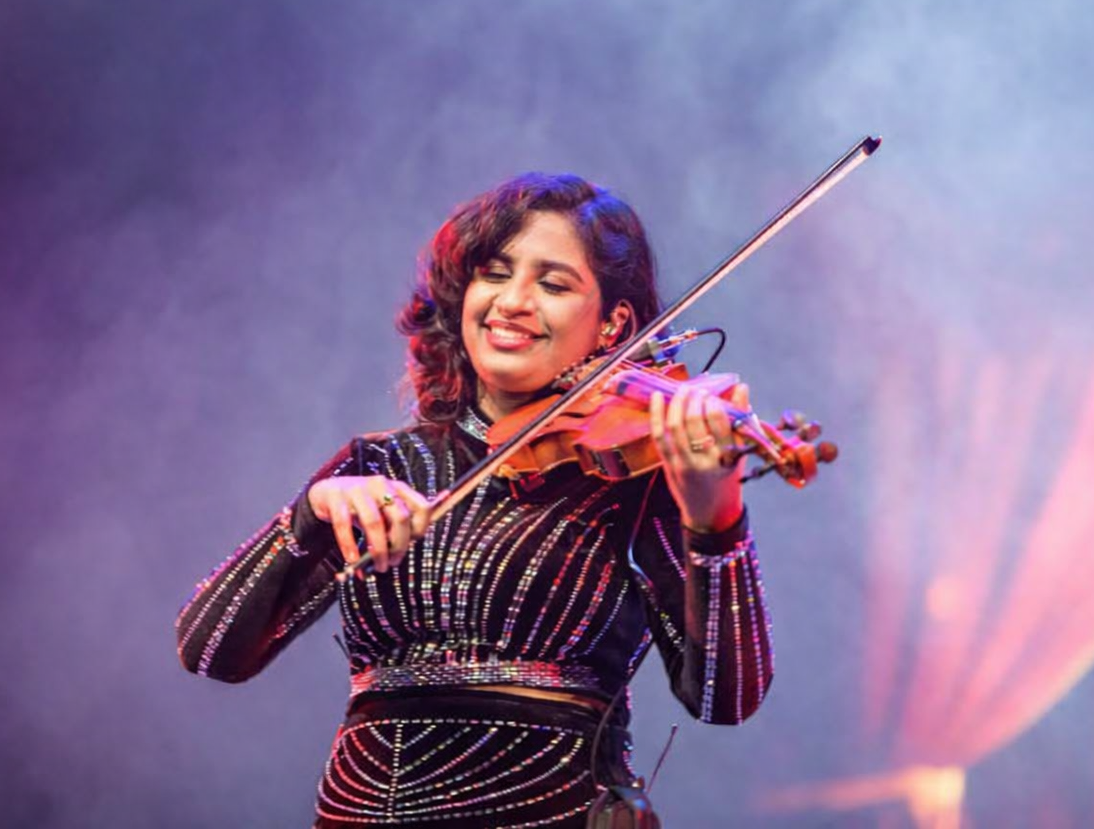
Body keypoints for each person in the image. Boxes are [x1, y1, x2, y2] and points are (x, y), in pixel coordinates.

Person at [176, 173, 774, 827]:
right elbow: (210, 652)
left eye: (553, 284)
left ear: (614, 326)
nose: (512, 301)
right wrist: (311, 514)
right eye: (494, 274)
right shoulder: (378, 465)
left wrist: (715, 521)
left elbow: (723, 697)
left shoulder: (634, 473)